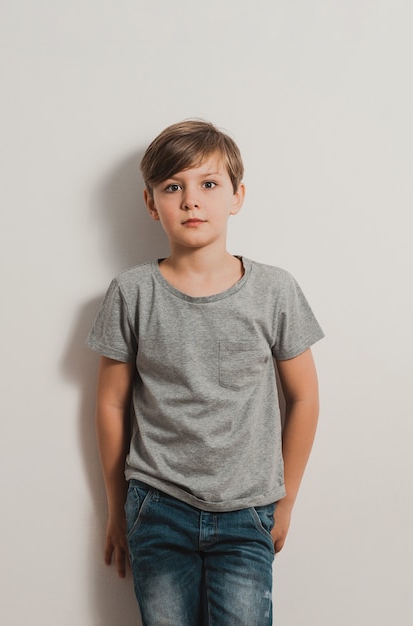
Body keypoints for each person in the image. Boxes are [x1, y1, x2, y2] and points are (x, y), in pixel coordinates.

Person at [87, 119, 324, 625]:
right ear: (152, 204)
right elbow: (110, 403)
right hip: (157, 506)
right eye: (173, 187)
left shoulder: (274, 291)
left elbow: (304, 398)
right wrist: (116, 507)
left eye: (208, 184)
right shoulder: (132, 292)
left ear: (237, 196)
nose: (191, 200)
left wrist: (286, 502)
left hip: (247, 512)